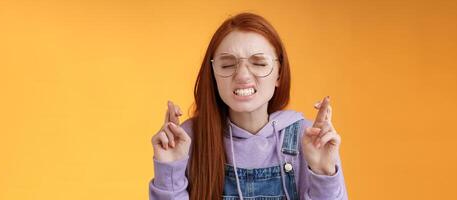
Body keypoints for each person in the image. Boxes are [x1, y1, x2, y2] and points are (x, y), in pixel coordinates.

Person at [149, 12, 348, 200]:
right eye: (227, 65)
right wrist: (169, 171)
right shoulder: (188, 139)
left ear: (279, 73)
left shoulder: (309, 138)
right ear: (213, 74)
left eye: (259, 63)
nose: (243, 75)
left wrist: (324, 175)